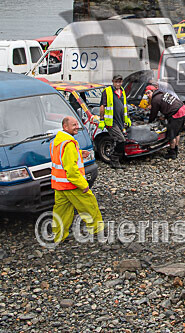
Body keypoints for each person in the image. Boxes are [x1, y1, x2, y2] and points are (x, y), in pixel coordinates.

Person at [50, 116, 103, 244]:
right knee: (89, 205)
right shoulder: (68, 144)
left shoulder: (56, 141)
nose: (77, 127)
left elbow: (62, 159)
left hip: (59, 185)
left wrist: (79, 153)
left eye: (77, 124)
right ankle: (96, 230)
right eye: (74, 125)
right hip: (72, 185)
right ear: (65, 127)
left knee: (61, 212)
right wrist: (83, 184)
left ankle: (58, 236)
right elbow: (71, 170)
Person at [145, 84, 185, 159]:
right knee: (177, 132)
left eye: (148, 93)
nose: (148, 95)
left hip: (176, 113)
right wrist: (164, 117)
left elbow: (153, 114)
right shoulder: (162, 93)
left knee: (171, 134)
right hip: (183, 109)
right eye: (146, 94)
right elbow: (168, 105)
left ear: (153, 91)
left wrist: (149, 122)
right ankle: (176, 149)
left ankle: (172, 153)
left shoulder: (155, 99)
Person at [98, 75, 132, 169]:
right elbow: (102, 106)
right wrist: (102, 120)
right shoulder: (107, 91)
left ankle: (115, 160)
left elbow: (124, 106)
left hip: (120, 121)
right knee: (121, 140)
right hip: (111, 122)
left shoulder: (122, 91)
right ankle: (114, 160)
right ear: (113, 81)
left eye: (120, 82)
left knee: (117, 140)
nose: (118, 83)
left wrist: (127, 118)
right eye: (116, 82)